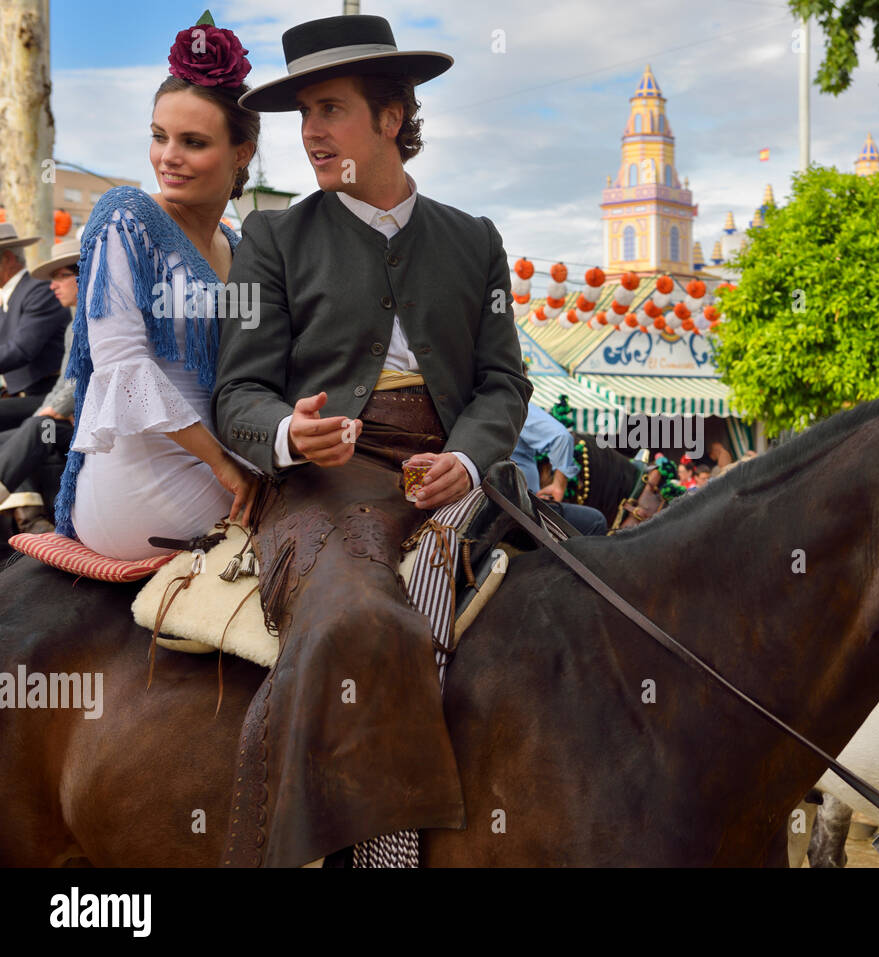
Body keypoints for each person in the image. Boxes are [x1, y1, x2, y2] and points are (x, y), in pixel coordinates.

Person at [213, 14, 530, 867]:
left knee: (599, 581)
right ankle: (374, 859)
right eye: (303, 115)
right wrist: (289, 432)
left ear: (393, 116)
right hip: (325, 485)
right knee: (361, 615)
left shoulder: (476, 239)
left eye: (330, 108)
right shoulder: (272, 238)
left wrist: (465, 459)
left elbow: (504, 382)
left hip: (459, 472)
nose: (312, 132)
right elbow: (234, 394)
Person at [51, 17, 259, 558]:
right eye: (159, 136)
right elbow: (121, 366)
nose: (168, 157)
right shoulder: (125, 216)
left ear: (242, 152)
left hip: (226, 456)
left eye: (193, 142)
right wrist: (222, 464)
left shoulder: (238, 245)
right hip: (139, 475)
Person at [0, 236, 80, 534]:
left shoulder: (101, 319)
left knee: (36, 428)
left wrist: (52, 410)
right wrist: (48, 410)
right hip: (54, 412)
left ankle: (31, 519)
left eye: (61, 276)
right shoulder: (76, 325)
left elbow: (84, 379)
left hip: (81, 426)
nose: (52, 285)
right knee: (27, 429)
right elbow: (65, 380)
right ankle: (27, 515)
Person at [0, 222, 71, 430]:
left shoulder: (40, 291)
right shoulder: (9, 295)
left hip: (47, 394)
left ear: (7, 259)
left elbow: (21, 349)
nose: (55, 282)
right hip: (17, 393)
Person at [509, 401, 608, 535]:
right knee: (596, 521)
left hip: (489, 506)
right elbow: (562, 437)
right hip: (519, 509)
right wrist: (558, 486)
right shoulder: (510, 400)